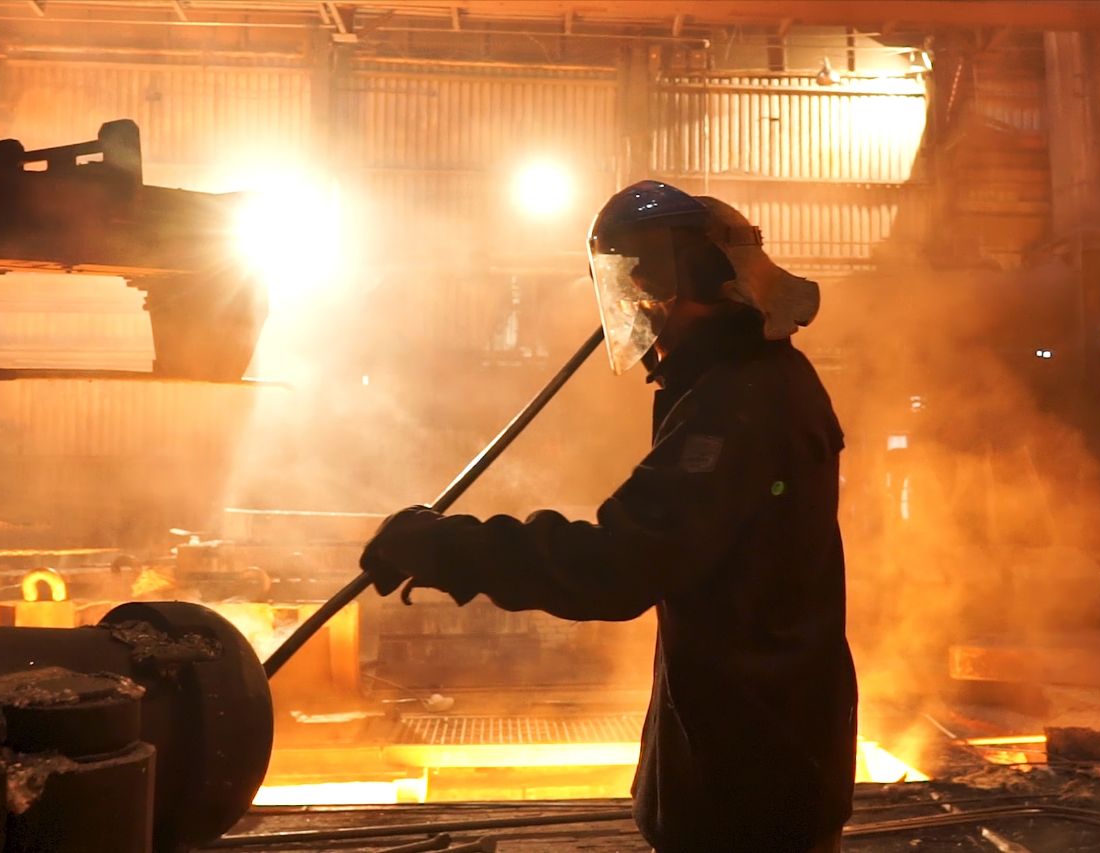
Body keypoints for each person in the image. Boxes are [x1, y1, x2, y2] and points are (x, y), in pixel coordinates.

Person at [361, 181, 857, 852]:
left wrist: (443, 548)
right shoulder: (753, 381)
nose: (635, 307)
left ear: (694, 282)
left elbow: (618, 567)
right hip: (761, 755)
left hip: (751, 782)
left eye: (642, 284)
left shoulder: (740, 401)